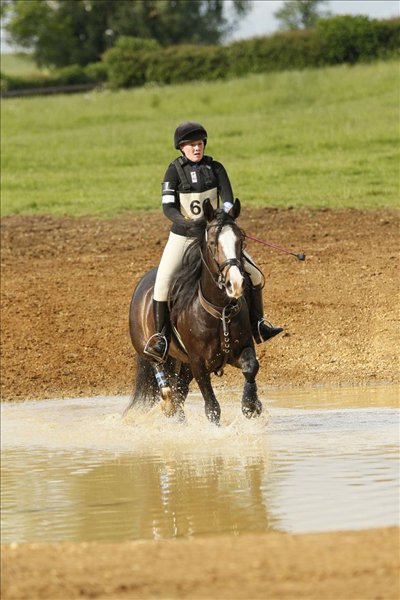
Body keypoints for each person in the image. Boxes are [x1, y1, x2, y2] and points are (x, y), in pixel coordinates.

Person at [144, 121, 282, 362]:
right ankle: (161, 338)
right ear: (181, 148)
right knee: (163, 282)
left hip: (214, 234)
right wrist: (188, 223)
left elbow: (227, 199)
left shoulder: (216, 168)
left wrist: (221, 218)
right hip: (183, 236)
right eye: (191, 145)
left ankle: (258, 324)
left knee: (255, 275)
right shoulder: (173, 172)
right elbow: (168, 208)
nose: (196, 149)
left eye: (199, 144)